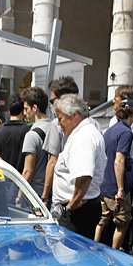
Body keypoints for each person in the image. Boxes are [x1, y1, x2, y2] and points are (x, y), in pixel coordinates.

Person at [51, 94, 106, 239]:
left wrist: (72, 204)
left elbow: (84, 175)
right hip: (79, 209)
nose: (59, 123)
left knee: (70, 257)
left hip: (77, 212)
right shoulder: (84, 133)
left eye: (61, 118)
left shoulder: (83, 137)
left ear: (74, 115)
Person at [94, 97, 133, 249]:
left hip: (104, 185)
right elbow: (119, 160)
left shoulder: (109, 131)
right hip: (115, 187)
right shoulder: (126, 132)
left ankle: (92, 248)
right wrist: (121, 189)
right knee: (123, 221)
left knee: (102, 220)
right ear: (132, 114)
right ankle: (115, 254)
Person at [41, 76, 79, 204]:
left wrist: (45, 196)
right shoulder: (92, 124)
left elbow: (53, 161)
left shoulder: (56, 124)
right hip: (85, 194)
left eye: (53, 100)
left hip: (63, 196)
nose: (51, 105)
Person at [20, 86, 54, 197]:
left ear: (35, 108)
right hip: (54, 192)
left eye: (26, 109)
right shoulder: (57, 128)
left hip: (36, 194)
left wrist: (19, 197)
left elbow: (28, 171)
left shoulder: (32, 135)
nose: (24, 113)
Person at [0, 93, 31, 171]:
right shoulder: (28, 130)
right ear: (23, 111)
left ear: (9, 111)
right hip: (21, 177)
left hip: (3, 176)